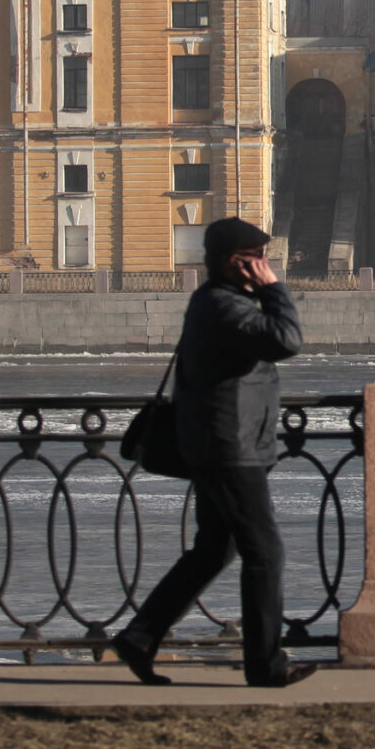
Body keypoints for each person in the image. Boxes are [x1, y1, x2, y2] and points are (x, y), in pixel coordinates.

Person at [110, 217, 314, 687]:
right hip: (229, 448)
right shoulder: (224, 306)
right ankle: (265, 665)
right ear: (235, 262)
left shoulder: (221, 302)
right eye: (258, 259)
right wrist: (275, 290)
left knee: (212, 552)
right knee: (266, 553)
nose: (266, 266)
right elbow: (286, 340)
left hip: (224, 442)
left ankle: (140, 637)